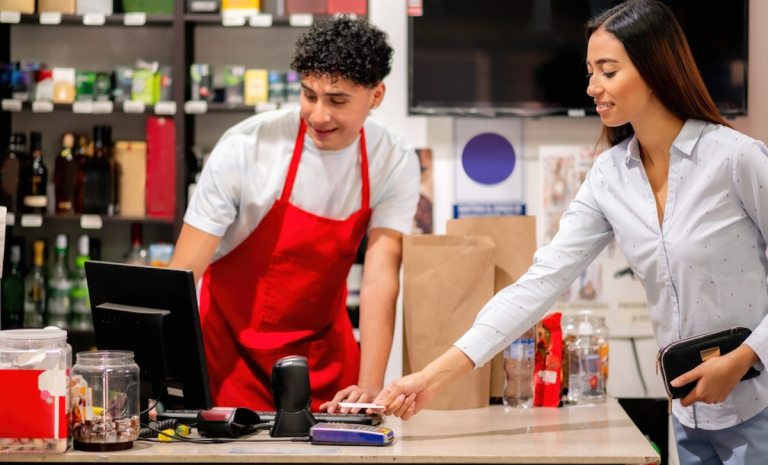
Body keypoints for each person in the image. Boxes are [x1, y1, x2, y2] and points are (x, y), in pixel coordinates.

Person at [374, 1, 768, 463]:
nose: (592, 87)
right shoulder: (609, 176)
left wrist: (745, 357)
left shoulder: (735, 158)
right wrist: (431, 377)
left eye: (607, 71)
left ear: (655, 68)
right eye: (590, 71)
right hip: (686, 413)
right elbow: (539, 283)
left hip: (759, 405)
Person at [169, 16, 420, 414]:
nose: (319, 115)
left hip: (324, 363)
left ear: (376, 96)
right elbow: (181, 275)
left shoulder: (394, 161)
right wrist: (151, 374)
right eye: (309, 95)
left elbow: (379, 278)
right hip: (230, 356)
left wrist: (370, 384)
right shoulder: (245, 148)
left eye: (337, 101)